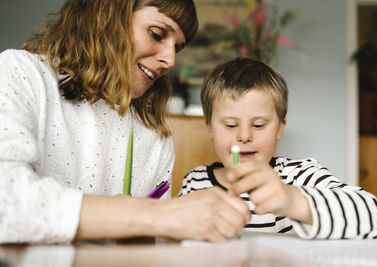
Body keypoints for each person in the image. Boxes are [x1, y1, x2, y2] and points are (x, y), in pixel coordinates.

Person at [0, 0, 250, 244]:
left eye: (177, 47)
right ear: (107, 15)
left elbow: (153, 241)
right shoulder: (19, 74)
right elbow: (6, 203)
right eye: (157, 34)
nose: (171, 60)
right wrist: (154, 215)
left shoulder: (154, 134)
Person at [179, 57, 377, 239]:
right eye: (231, 125)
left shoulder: (301, 175)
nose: (244, 136)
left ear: (280, 128)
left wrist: (294, 201)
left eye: (259, 125)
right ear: (210, 128)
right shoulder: (195, 183)